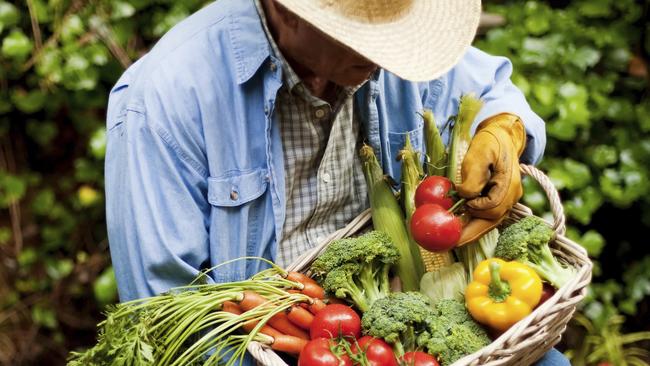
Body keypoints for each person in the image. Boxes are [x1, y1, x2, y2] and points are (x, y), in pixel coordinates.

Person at [104, 0, 569, 364]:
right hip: (265, 354)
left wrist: (504, 127)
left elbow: (491, 89)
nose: (391, 55)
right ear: (287, 11)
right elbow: (166, 319)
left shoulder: (388, 55)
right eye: (367, 33)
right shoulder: (164, 101)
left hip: (401, 335)